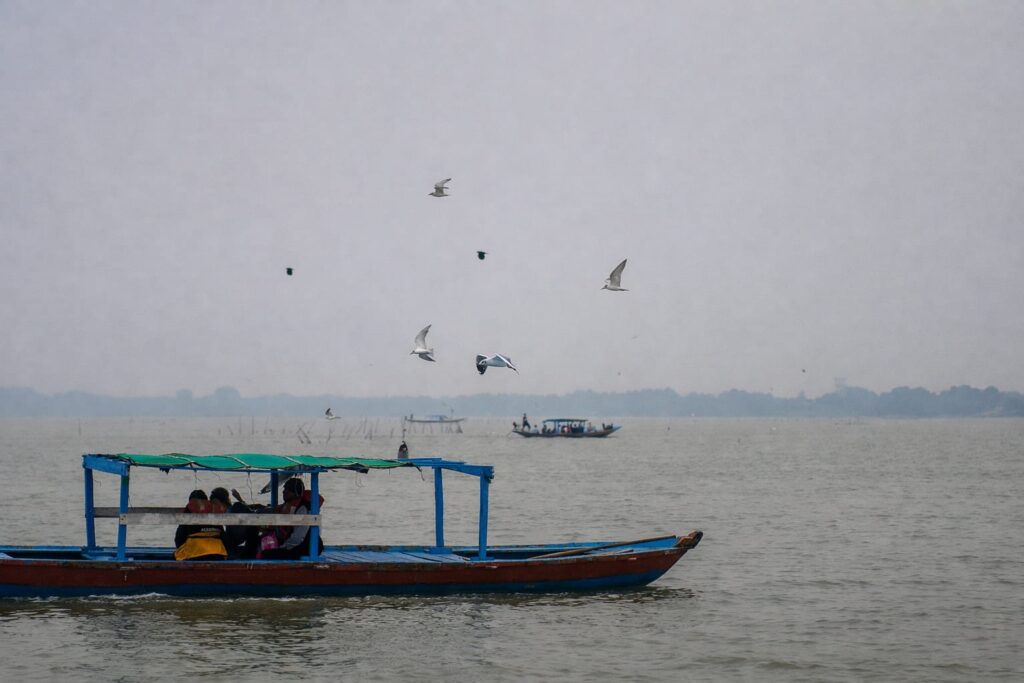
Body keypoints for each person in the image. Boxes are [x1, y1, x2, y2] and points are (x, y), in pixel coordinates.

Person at [259, 478, 325, 560]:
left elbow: (298, 537)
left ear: (294, 492)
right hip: (304, 545)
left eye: (287, 489)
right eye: (284, 489)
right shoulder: (296, 506)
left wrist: (283, 547)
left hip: (306, 547)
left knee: (266, 554)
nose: (284, 492)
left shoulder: (303, 509)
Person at [174, 489, 228, 561]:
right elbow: (223, 536)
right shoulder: (213, 510)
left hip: (195, 555)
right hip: (218, 554)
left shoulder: (189, 510)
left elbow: (179, 539)